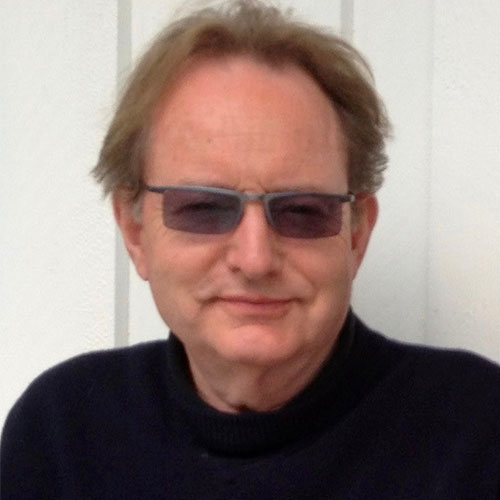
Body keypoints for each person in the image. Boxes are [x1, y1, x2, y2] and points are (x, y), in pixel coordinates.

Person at [2, 1, 499, 498]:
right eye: (203, 208)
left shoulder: (478, 435)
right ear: (135, 232)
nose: (255, 259)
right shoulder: (63, 436)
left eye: (302, 211)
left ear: (356, 235)